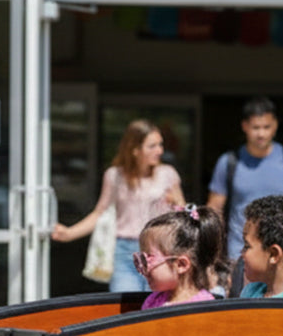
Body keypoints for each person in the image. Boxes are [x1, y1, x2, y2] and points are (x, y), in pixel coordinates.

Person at [51, 119, 186, 291]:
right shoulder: (114, 176)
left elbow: (183, 215)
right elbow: (99, 213)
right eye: (152, 146)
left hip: (161, 252)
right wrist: (69, 233)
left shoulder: (168, 174)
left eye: (160, 144)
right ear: (135, 149)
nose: (160, 151)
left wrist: (177, 203)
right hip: (125, 252)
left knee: (156, 304)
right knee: (125, 305)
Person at [208, 97, 283, 294]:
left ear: (275, 126)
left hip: (282, 258)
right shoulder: (229, 163)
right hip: (239, 257)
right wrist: (215, 261)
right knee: (242, 308)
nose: (261, 133)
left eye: (266, 127)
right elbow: (214, 211)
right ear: (245, 126)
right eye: (255, 127)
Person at [136, 204, 224, 309]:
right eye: (140, 259)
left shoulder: (204, 308)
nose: (142, 266)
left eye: (147, 259)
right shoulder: (153, 300)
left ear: (181, 264)